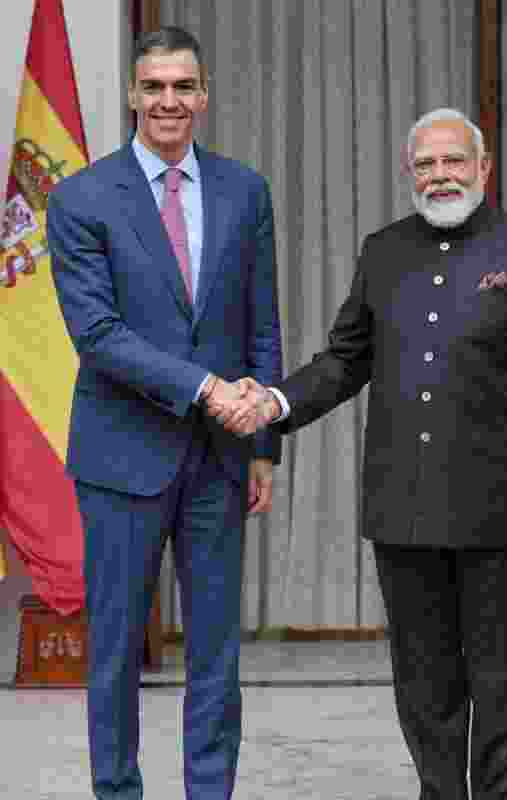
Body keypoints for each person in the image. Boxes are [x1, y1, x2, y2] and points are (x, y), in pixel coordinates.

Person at [227, 108, 507, 800]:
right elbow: (344, 360)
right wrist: (275, 402)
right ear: (410, 173)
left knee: (504, 682)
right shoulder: (384, 251)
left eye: (454, 161)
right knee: (425, 685)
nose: (440, 176)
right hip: (404, 512)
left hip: (502, 518)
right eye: (426, 165)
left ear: (483, 168)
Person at [47, 26, 281, 800]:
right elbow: (98, 335)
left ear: (203, 95)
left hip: (222, 459)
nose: (168, 101)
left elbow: (261, 323)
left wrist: (264, 444)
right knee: (115, 651)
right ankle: (117, 791)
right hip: (121, 457)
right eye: (154, 87)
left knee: (217, 654)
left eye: (183, 86)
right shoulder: (80, 198)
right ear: (133, 94)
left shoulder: (246, 191)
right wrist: (207, 389)